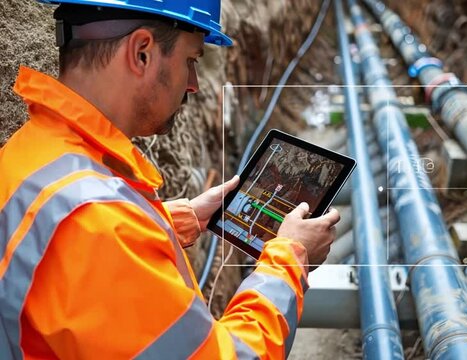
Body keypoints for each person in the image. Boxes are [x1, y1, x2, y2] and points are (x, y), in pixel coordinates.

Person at [0, 1, 340, 358]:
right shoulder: (99, 226)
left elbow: (75, 259)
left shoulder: (33, 152)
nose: (193, 85)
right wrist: (290, 257)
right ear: (142, 52)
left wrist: (177, 221)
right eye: (191, 60)